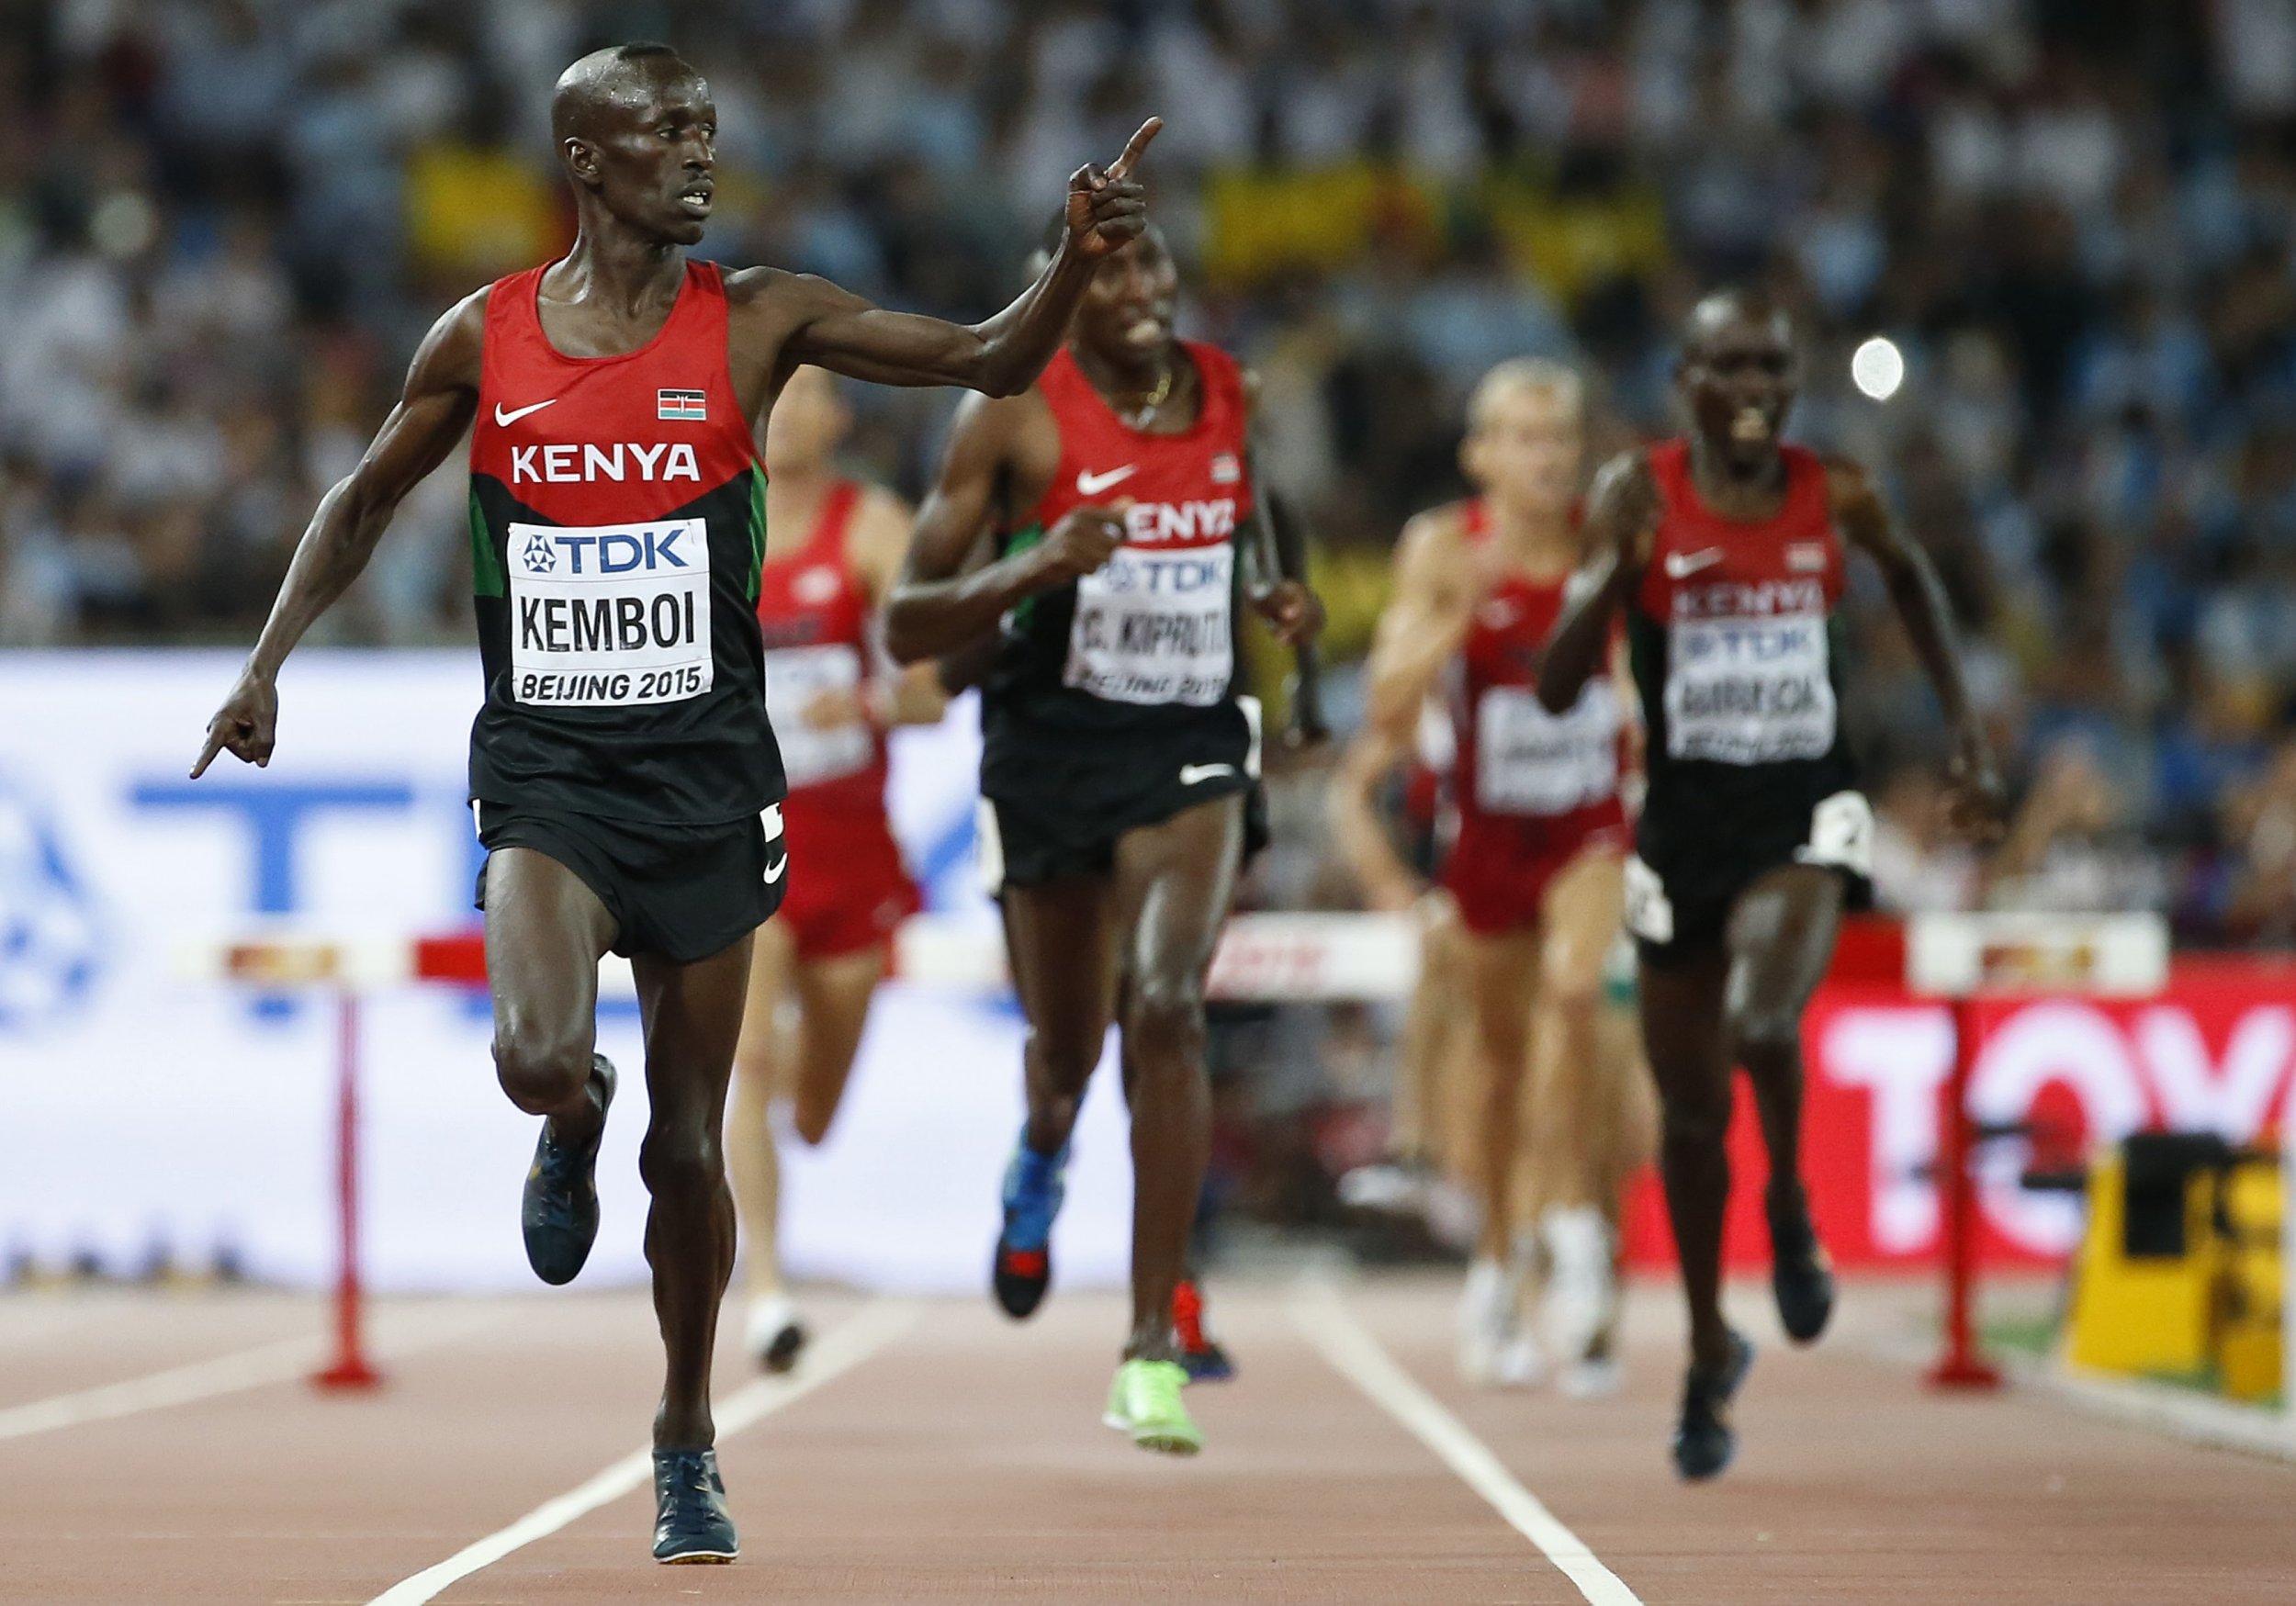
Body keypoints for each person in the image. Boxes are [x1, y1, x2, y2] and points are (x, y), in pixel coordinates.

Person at [190, 41, 1159, 1563]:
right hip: (551, 770)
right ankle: (567, 1119)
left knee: (695, 1149)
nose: (700, 155)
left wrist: (1064, 259)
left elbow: (985, 356)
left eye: (709, 128)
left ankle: (686, 1432)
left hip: (710, 776)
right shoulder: (484, 335)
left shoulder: (761, 318)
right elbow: (360, 499)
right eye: (666, 134)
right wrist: (264, 667)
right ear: (589, 158)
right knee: (538, 1054)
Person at [1539, 289, 2003, 1479]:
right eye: (1728, 366)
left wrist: (1966, 741)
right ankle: (1705, 1355)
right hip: (1682, 824)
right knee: (1690, 1123)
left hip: (1806, 806)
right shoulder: (1633, 494)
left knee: (1760, 1014)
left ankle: (1790, 1207)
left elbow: (1915, 585)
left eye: (1771, 368)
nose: (1753, 387)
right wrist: (1611, 571)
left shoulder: (1833, 489)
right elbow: (1554, 685)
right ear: (1685, 381)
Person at [884, 219, 1321, 1456]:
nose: (1137, 289)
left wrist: (1275, 598)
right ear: (1058, 295)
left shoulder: (1225, 388)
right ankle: (1040, 1158)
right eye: (1105, 271)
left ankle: (1150, 1346)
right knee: (1069, 1056)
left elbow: (1253, 505)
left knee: (1171, 1004)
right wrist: (1036, 564)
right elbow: (909, 628)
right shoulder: (1011, 419)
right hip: (1048, 758)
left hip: (1187, 746)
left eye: (1152, 267)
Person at [1329, 358, 1645, 1394]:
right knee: (1503, 1072)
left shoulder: (1609, 542)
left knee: (1573, 993)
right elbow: (1380, 711)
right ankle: (1501, 1263)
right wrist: (1452, 622)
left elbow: (1645, 684)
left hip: (1586, 832)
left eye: (1560, 440)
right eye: (1524, 439)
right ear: (1481, 455)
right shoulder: (1438, 549)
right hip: (1485, 843)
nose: (1547, 459)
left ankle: (1576, 1235)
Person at [726, 365, 945, 1375]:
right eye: (769, 395)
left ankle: (776, 1125)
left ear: (837, 416)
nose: (786, 414)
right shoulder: (709, 519)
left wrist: (859, 707)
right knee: (750, 1062)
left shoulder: (869, 528)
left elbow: (932, 693)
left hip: (853, 855)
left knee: (812, 1111)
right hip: (743, 839)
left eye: (806, 394)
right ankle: (764, 1285)